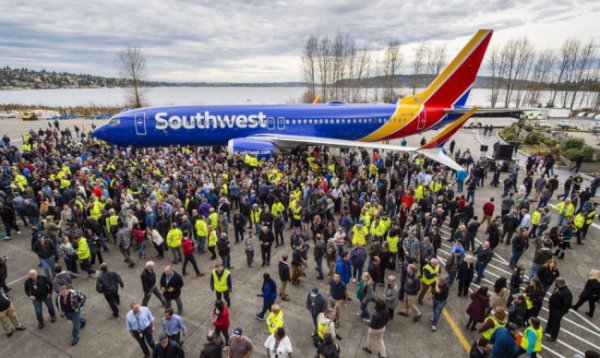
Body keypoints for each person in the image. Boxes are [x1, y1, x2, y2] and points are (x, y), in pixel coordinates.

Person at [546, 277, 573, 342]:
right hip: (553, 308)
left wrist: (561, 312)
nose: (554, 284)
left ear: (560, 283)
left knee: (556, 324)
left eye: (556, 283)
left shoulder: (567, 293)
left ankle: (553, 337)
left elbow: (567, 304)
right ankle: (548, 329)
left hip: (558, 311)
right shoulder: (558, 288)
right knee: (550, 319)